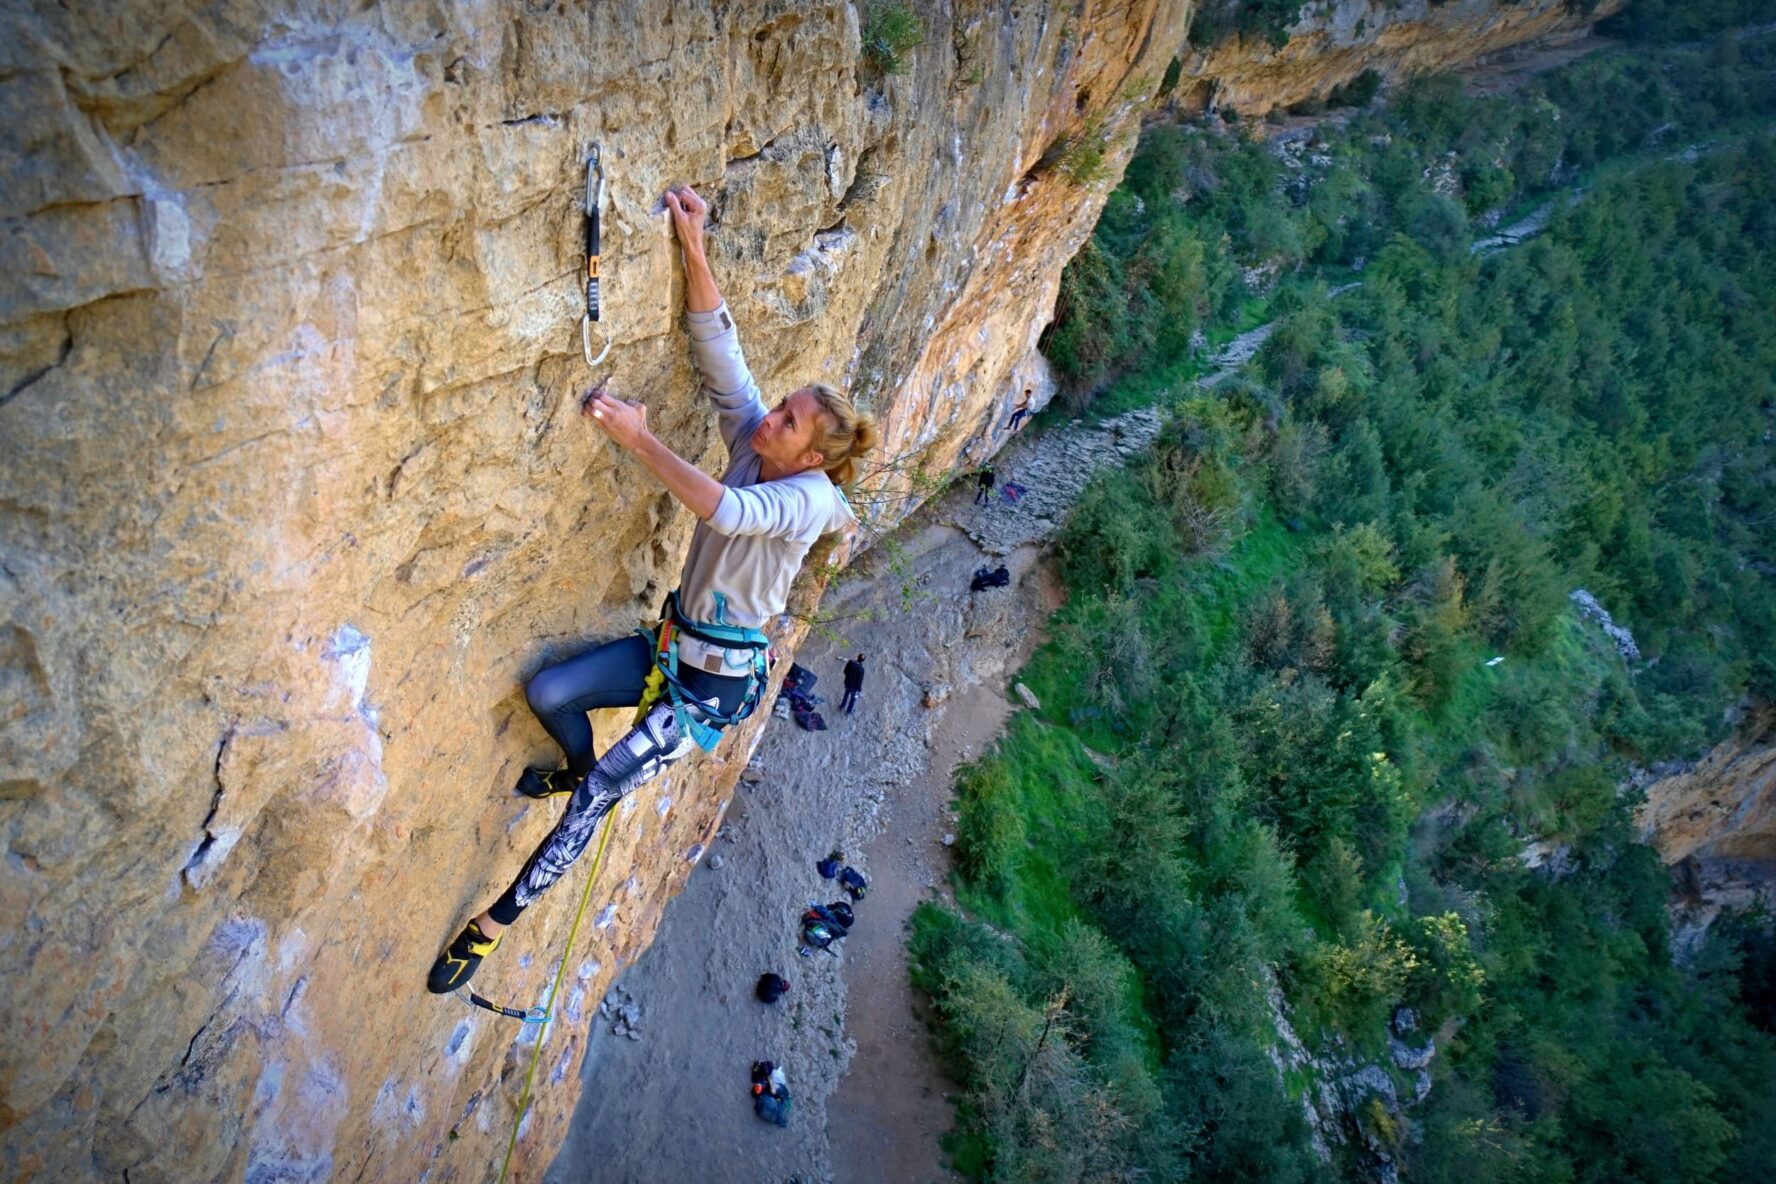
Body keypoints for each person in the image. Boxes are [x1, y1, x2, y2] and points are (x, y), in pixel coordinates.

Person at [428, 184, 879, 995]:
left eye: (787, 421)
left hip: (705, 694)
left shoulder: (803, 500)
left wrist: (640, 439)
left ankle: (489, 931)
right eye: (781, 407)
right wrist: (693, 244)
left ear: (811, 457)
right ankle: (574, 763)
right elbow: (718, 349)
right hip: (672, 650)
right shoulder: (763, 445)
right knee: (551, 690)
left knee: (596, 804)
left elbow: (726, 509)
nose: (770, 417)